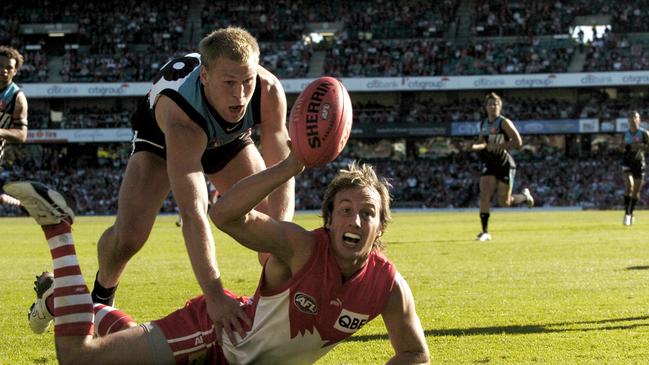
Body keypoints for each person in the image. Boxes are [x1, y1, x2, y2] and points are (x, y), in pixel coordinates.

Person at [7, 151, 430, 364]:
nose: (355, 219)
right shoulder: (302, 247)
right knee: (80, 357)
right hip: (215, 340)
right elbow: (225, 214)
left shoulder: (388, 287)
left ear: (381, 227)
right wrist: (292, 164)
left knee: (129, 340)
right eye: (346, 210)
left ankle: (58, 297)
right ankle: (58, 229)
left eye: (368, 212)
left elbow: (415, 354)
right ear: (329, 220)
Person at [90, 26, 294, 342]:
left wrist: (283, 244)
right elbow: (193, 212)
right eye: (229, 83)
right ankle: (101, 295)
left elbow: (282, 171)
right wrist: (214, 295)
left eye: (246, 81)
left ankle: (277, 306)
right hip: (163, 139)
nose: (240, 95)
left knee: (271, 225)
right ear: (205, 78)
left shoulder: (268, 91)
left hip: (228, 139)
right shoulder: (180, 115)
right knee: (130, 237)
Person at [469, 92, 534, 241]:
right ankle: (485, 232)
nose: (493, 106)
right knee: (484, 195)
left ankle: (524, 196)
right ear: (486, 107)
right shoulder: (483, 123)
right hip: (489, 163)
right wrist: (474, 146)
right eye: (490, 104)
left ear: (500, 106)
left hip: (505, 164)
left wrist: (499, 145)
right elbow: (482, 142)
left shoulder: (504, 122)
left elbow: (518, 142)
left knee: (504, 203)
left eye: (496, 104)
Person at [0, 46, 28, 208]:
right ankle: (16, 203)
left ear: (15, 71)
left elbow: (22, 135)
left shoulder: (16, 97)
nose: (3, 70)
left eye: (9, 67)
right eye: (0, 66)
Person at [622, 110, 649, 226]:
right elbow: (621, 148)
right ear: (628, 120)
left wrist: (641, 146)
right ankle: (627, 214)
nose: (633, 118)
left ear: (639, 119)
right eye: (630, 116)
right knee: (629, 185)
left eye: (635, 116)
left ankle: (631, 212)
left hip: (639, 163)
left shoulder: (644, 133)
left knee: (636, 192)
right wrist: (627, 147)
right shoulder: (625, 134)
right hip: (627, 162)